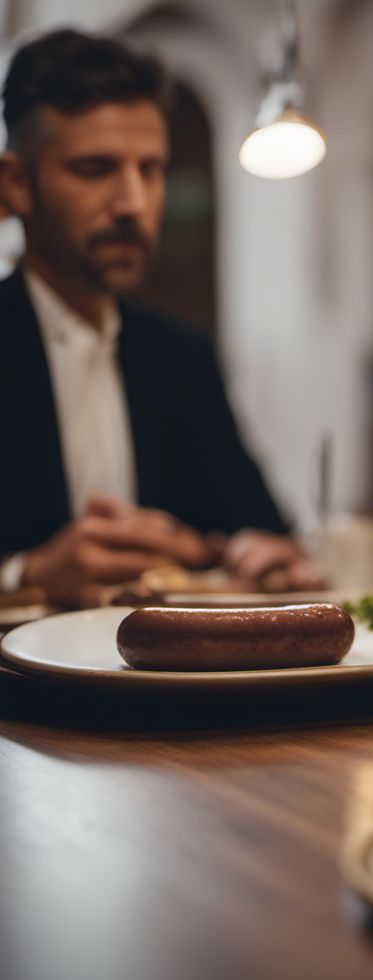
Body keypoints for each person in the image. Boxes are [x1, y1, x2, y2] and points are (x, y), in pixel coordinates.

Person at [0, 29, 322, 607]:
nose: (132, 203)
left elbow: (262, 526)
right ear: (16, 184)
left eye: (150, 170)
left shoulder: (180, 354)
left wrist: (245, 551)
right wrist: (24, 575)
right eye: (96, 169)